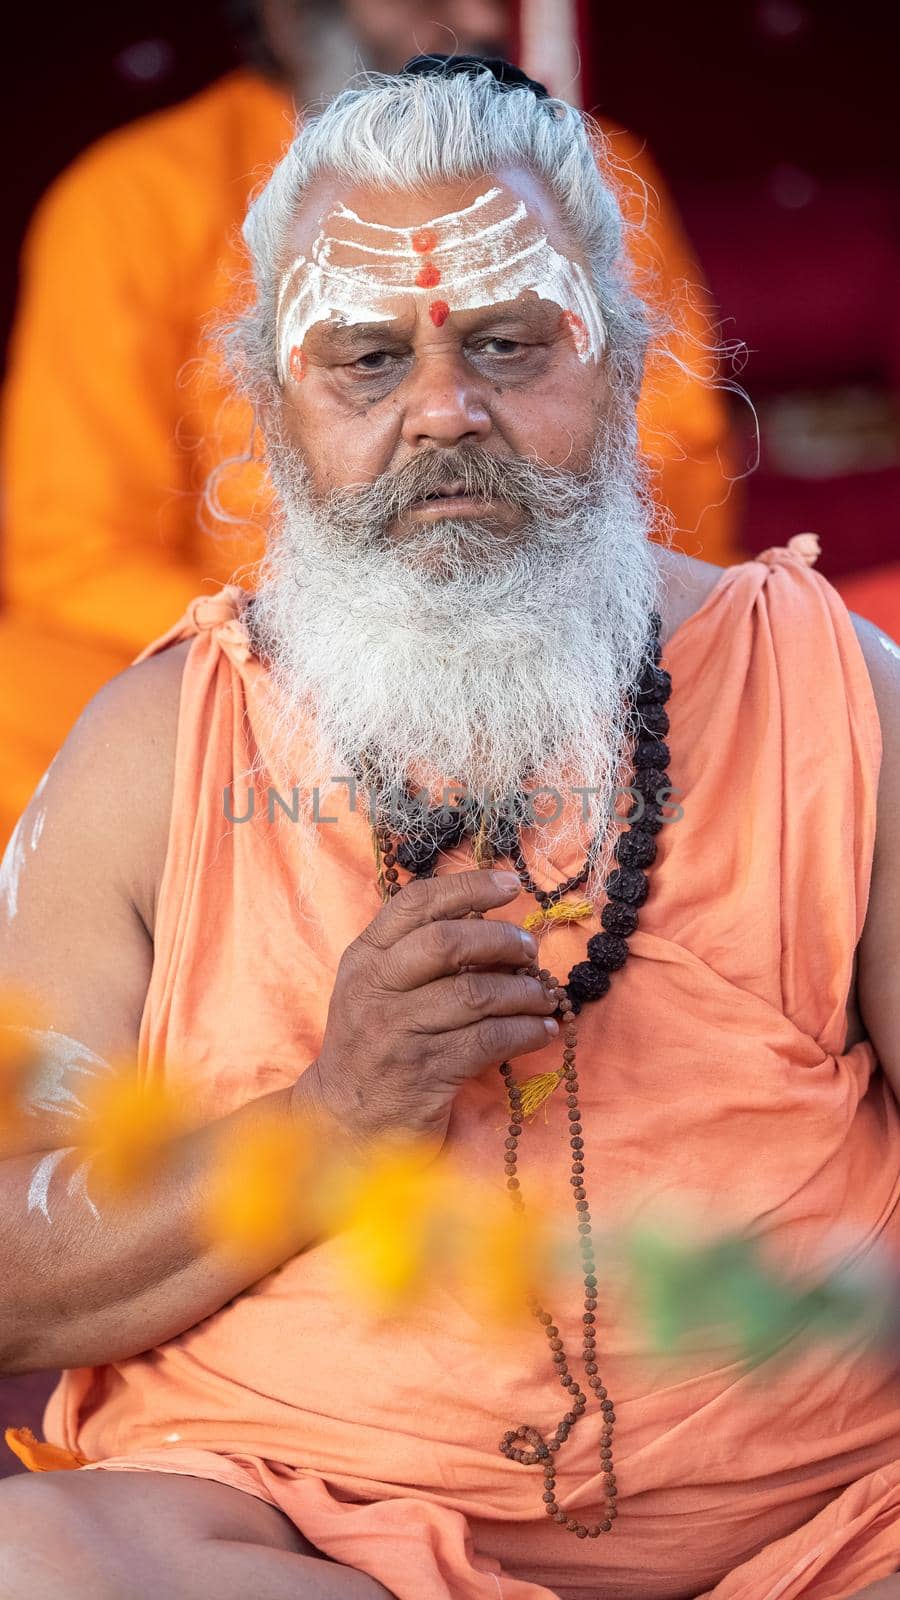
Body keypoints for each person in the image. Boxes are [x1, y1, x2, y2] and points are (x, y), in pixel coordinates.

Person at [3, 59, 889, 1600]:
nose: (443, 411)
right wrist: (335, 1113)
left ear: (616, 369)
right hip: (298, 1541)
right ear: (273, 405)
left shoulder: (839, 695)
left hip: (834, 1537)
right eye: (363, 358)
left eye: (504, 342)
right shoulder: (150, 755)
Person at [0, 1, 739, 850]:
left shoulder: (569, 179)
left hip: (567, 641)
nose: (477, 18)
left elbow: (680, 471)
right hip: (273, 660)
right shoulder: (130, 199)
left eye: (503, 343)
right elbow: (73, 554)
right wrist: (312, 652)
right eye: (370, 359)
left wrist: (536, 629)